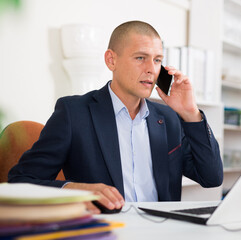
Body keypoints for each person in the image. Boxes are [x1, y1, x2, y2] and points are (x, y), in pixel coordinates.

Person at [8, 20, 223, 214]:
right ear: (111, 60)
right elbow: (21, 181)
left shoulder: (168, 119)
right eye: (141, 58)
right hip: (106, 231)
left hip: (162, 232)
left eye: (157, 60)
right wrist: (75, 189)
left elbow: (211, 178)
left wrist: (190, 112)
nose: (151, 69)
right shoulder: (74, 113)